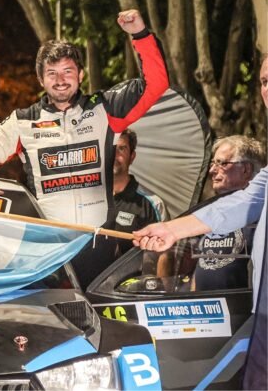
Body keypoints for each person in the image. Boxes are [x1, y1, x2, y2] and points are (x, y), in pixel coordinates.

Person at [0, 9, 169, 227]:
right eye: (52, 73)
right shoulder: (23, 121)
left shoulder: (105, 109)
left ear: (80, 75)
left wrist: (140, 34)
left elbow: (156, 84)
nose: (60, 80)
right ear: (41, 79)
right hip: (51, 240)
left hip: (99, 238)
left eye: (67, 71)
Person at [135, 55, 268, 389]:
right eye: (265, 81)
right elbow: (239, 205)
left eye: (224, 164)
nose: (267, 90)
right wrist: (169, 230)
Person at [156, 135, 264, 288]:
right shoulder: (209, 212)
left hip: (241, 302)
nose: (212, 170)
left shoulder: (260, 214)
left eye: (222, 163)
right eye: (213, 163)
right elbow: (199, 266)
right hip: (205, 302)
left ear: (246, 169)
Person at [110, 128, 168, 256]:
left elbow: (163, 256)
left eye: (121, 149)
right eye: (110, 148)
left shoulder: (153, 204)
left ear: (132, 157)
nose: (114, 154)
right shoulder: (88, 198)